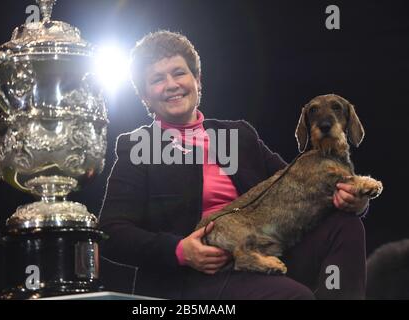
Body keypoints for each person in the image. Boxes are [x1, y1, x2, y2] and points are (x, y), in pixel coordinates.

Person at [99, 30, 369, 300]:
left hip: (266, 252)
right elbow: (112, 233)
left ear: (197, 80)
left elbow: (298, 185)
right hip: (192, 279)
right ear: (145, 96)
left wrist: (351, 200)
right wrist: (179, 251)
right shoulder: (137, 147)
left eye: (179, 73)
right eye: (157, 79)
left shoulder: (240, 135)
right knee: (291, 296)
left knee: (346, 225)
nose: (171, 84)